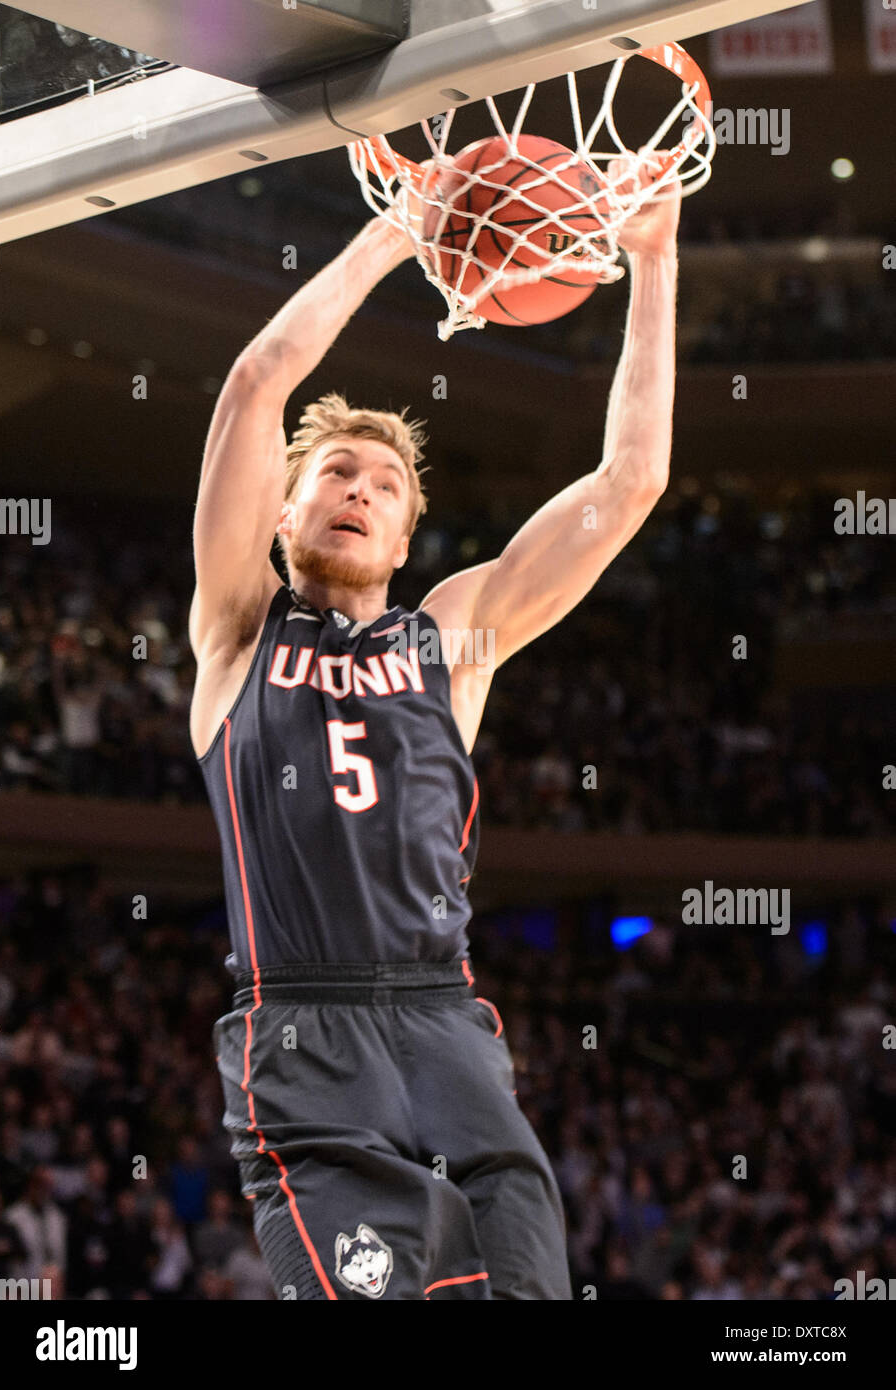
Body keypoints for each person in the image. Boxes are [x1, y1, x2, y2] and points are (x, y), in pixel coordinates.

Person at [189, 157, 680, 1299]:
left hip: (445, 1020)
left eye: (383, 485)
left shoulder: (452, 636)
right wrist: (396, 232)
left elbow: (629, 482)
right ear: (282, 508)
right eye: (334, 473)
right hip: (303, 1037)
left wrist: (651, 260)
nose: (357, 489)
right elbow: (258, 382)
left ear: (409, 538)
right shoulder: (235, 627)